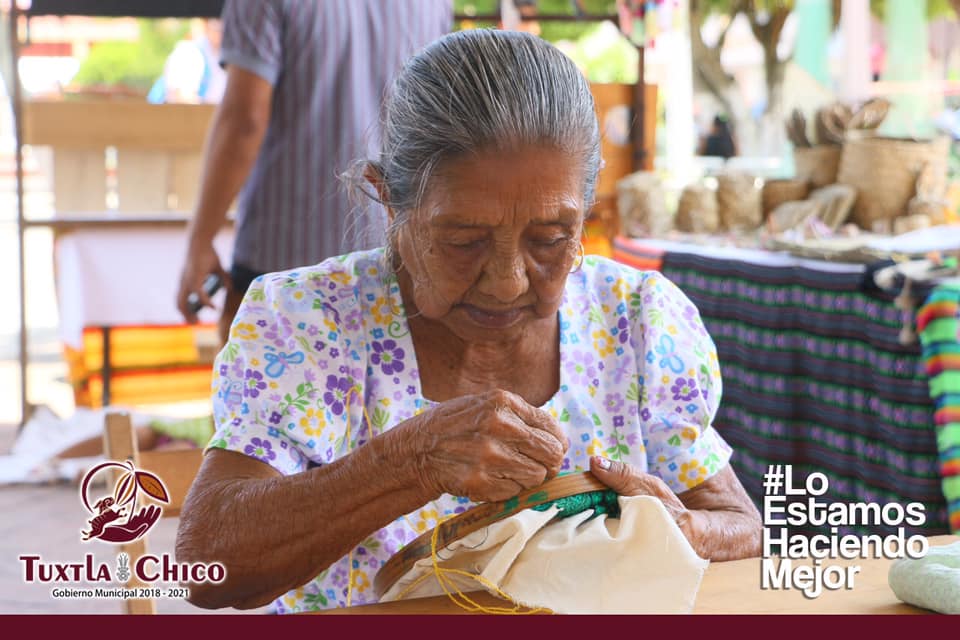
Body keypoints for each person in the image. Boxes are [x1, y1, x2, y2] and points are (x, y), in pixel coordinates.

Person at [176, 29, 762, 614]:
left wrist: (682, 532)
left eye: (551, 239)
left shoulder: (637, 320)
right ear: (389, 203)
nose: (507, 279)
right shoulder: (307, 323)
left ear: (584, 215)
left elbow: (742, 525)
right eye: (463, 240)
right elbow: (207, 566)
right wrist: (411, 461)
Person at [175, 0, 452, 344]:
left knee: (269, 395)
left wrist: (200, 240)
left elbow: (245, 121)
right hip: (394, 266)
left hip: (283, 271)